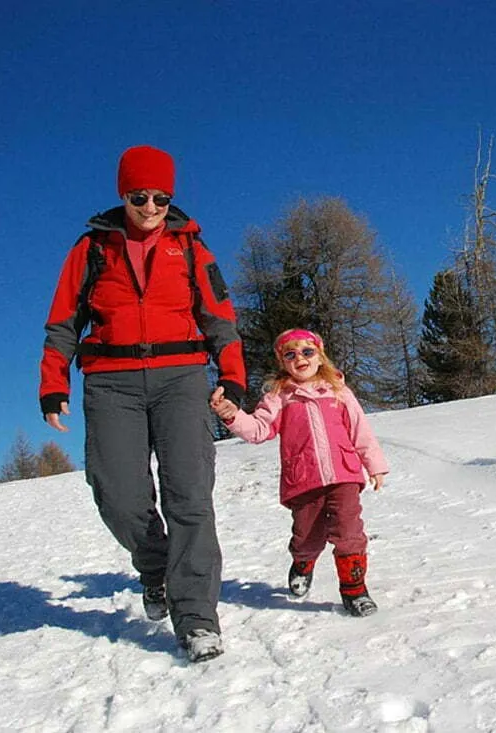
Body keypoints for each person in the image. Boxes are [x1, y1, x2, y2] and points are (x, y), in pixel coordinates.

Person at [39, 145, 246, 662]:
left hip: (181, 378)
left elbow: (220, 317)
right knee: (117, 493)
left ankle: (197, 619)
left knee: (190, 498)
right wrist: (52, 383)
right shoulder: (91, 249)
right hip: (111, 383)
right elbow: (63, 322)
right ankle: (155, 564)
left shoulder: (193, 249)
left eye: (161, 197)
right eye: (140, 196)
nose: (151, 207)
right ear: (123, 194)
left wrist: (233, 378)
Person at [211, 328, 388, 617]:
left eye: (307, 352)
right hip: (303, 480)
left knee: (349, 531)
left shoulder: (338, 391)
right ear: (282, 362)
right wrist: (232, 415)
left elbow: (360, 429)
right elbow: (259, 430)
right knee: (308, 536)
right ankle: (303, 561)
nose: (300, 358)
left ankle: (355, 590)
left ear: (320, 356)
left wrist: (375, 465)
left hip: (344, 475)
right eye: (290, 354)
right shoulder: (279, 397)